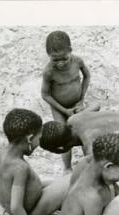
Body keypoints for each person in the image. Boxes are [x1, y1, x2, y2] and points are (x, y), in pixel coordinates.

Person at [0, 108, 70, 215]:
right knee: (70, 180)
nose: (39, 142)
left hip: (27, 204)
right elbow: (16, 207)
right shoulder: (20, 168)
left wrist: (5, 187)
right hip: (30, 214)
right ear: (30, 139)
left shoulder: (0, 153)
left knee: (55, 182)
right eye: (38, 138)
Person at [39, 107, 119, 169]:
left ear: (61, 148)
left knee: (109, 169)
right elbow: (96, 106)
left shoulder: (89, 143)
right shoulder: (73, 119)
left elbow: (99, 174)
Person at [41, 30, 91, 172]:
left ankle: (89, 163)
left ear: (70, 51)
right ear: (49, 56)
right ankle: (67, 168)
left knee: (83, 132)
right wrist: (64, 111)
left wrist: (81, 100)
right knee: (62, 136)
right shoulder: (49, 72)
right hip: (59, 108)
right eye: (55, 59)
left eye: (64, 58)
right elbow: (45, 95)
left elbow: (87, 76)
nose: (61, 63)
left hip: (77, 105)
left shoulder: (78, 61)